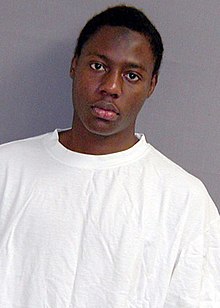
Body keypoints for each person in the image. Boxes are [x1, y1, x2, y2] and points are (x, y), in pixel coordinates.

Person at [0, 5, 219, 308]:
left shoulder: (185, 201)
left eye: (131, 75)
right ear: (74, 65)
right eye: (98, 66)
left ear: (151, 85)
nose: (110, 87)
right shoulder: (7, 170)